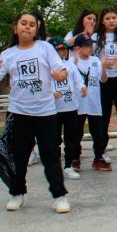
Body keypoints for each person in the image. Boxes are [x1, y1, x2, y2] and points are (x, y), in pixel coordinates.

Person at [0, 12, 71, 213]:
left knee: (50, 155)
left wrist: (59, 75)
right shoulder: (8, 54)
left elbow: (62, 71)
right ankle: (16, 193)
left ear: (37, 28)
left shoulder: (45, 48)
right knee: (19, 157)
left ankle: (59, 196)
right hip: (18, 113)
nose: (27, 27)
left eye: (32, 24)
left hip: (46, 113)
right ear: (15, 27)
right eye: (23, 23)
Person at [93, 8, 117, 164]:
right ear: (102, 21)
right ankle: (100, 152)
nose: (111, 21)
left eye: (114, 18)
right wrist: (103, 64)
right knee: (103, 118)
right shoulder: (96, 37)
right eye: (108, 18)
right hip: (104, 81)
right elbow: (91, 57)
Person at [50, 37, 85, 181]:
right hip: (54, 110)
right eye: (58, 50)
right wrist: (52, 92)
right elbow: (43, 84)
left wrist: (82, 87)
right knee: (54, 139)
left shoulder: (70, 66)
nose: (62, 52)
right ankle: (54, 167)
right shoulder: (47, 67)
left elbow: (77, 79)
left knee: (72, 139)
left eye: (64, 49)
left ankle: (68, 165)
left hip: (71, 108)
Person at [75, 34, 108, 171]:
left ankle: (98, 158)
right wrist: (74, 62)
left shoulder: (96, 60)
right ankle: (74, 158)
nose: (90, 48)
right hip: (78, 104)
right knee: (76, 133)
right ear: (78, 48)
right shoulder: (71, 62)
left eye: (90, 45)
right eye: (86, 45)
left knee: (98, 133)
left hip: (94, 103)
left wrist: (104, 66)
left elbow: (103, 80)